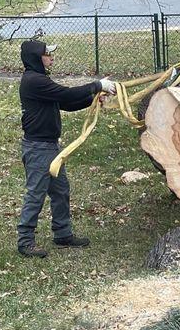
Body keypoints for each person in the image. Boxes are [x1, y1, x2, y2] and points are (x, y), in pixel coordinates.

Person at [17, 40, 116, 258]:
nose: (51, 58)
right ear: (36, 58)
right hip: (38, 149)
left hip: (51, 148)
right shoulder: (33, 81)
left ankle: (62, 234)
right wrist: (97, 85)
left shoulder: (40, 80)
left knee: (60, 190)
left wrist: (92, 99)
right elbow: (66, 94)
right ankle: (25, 241)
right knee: (36, 194)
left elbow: (66, 103)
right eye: (47, 55)